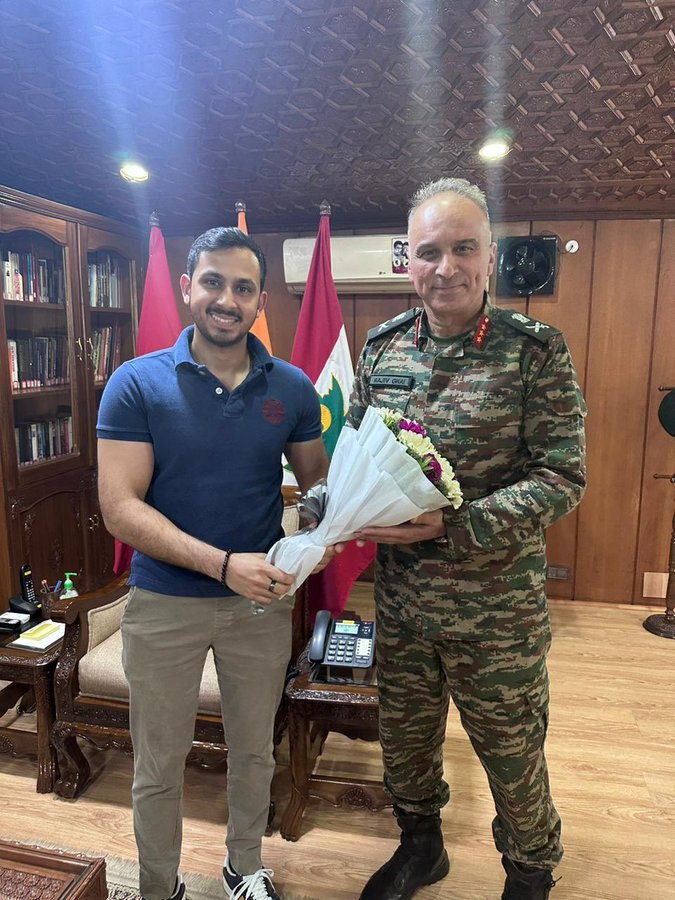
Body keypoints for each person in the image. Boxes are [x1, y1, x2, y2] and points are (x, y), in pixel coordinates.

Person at [349, 178, 587, 900]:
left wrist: (456, 523)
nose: (445, 267)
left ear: (489, 257)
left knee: (512, 755)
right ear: (408, 261)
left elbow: (562, 476)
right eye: (429, 251)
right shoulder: (382, 349)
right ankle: (420, 847)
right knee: (406, 742)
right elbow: (357, 457)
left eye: (463, 249)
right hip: (404, 604)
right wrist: (327, 514)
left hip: (496, 611)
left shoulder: (533, 351)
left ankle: (530, 873)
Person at [97, 227, 333, 900]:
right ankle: (158, 887)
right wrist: (223, 565)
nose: (227, 299)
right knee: (158, 762)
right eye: (213, 282)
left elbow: (315, 486)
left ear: (260, 300)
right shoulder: (136, 383)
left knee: (254, 750)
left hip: (257, 606)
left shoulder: (291, 387)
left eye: (242, 288)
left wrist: (326, 527)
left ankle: (242, 867)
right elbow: (120, 509)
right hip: (163, 603)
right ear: (186, 288)